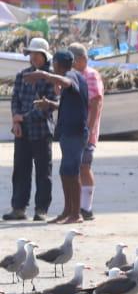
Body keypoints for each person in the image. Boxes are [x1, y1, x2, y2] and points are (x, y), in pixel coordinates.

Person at [34, 50, 90, 224]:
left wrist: (44, 75)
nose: (52, 67)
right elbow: (66, 103)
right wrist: (50, 104)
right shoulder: (73, 78)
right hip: (68, 133)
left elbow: (66, 82)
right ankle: (67, 211)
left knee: (72, 173)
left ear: (58, 64)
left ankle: (76, 214)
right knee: (65, 172)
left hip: (75, 133)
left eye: (53, 65)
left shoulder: (71, 75)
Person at [8, 37, 56, 221]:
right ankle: (19, 208)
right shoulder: (23, 74)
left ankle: (41, 209)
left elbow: (48, 106)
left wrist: (24, 117)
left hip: (42, 131)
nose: (33, 57)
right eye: (31, 54)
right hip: (22, 131)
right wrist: (16, 121)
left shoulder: (50, 77)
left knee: (43, 172)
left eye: (37, 54)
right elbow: (15, 100)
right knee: (20, 169)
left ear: (44, 56)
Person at [69, 43, 103, 221]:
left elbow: (96, 102)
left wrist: (89, 129)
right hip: (74, 128)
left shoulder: (91, 75)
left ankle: (87, 208)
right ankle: (78, 206)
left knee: (84, 167)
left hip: (86, 130)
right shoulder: (74, 74)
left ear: (82, 59)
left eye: (73, 60)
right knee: (75, 168)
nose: (71, 63)